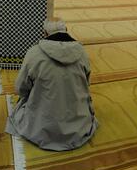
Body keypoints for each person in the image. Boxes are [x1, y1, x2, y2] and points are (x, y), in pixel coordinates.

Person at [5, 19, 98, 151]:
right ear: (66, 30)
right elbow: (86, 85)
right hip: (77, 127)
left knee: (22, 108)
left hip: (41, 126)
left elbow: (21, 88)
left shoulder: (34, 53)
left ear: (45, 33)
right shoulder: (82, 52)